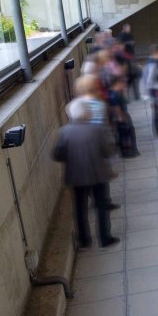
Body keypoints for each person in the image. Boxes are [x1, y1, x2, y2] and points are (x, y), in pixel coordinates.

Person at [52, 98, 120, 249]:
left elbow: (57, 155)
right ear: (87, 113)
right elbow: (108, 151)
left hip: (76, 175)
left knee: (79, 208)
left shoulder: (64, 132)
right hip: (98, 174)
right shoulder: (97, 130)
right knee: (101, 206)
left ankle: (84, 239)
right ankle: (104, 237)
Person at [107, 76, 139, 158]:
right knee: (126, 134)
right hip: (121, 116)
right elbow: (115, 106)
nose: (124, 84)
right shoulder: (115, 94)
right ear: (117, 83)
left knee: (127, 133)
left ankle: (130, 150)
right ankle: (128, 152)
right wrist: (120, 116)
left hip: (122, 115)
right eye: (122, 82)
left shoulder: (115, 92)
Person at [141, 44, 158, 135]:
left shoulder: (149, 62)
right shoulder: (154, 63)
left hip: (155, 91)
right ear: (157, 53)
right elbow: (150, 80)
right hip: (157, 91)